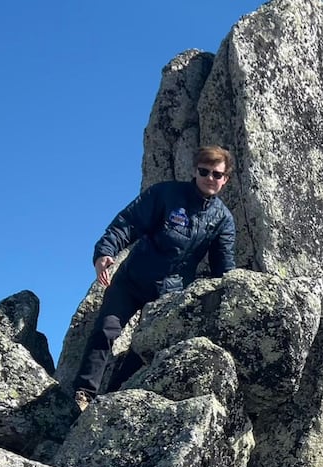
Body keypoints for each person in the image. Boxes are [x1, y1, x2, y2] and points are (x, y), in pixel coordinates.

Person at [73, 146, 237, 410]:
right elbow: (128, 223)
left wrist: (231, 298)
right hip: (132, 280)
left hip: (168, 296)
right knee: (106, 330)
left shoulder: (222, 220)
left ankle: (112, 401)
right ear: (194, 171)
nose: (210, 178)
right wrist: (105, 251)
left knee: (145, 351)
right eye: (204, 171)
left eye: (217, 174)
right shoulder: (166, 194)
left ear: (225, 179)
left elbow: (224, 266)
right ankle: (83, 394)